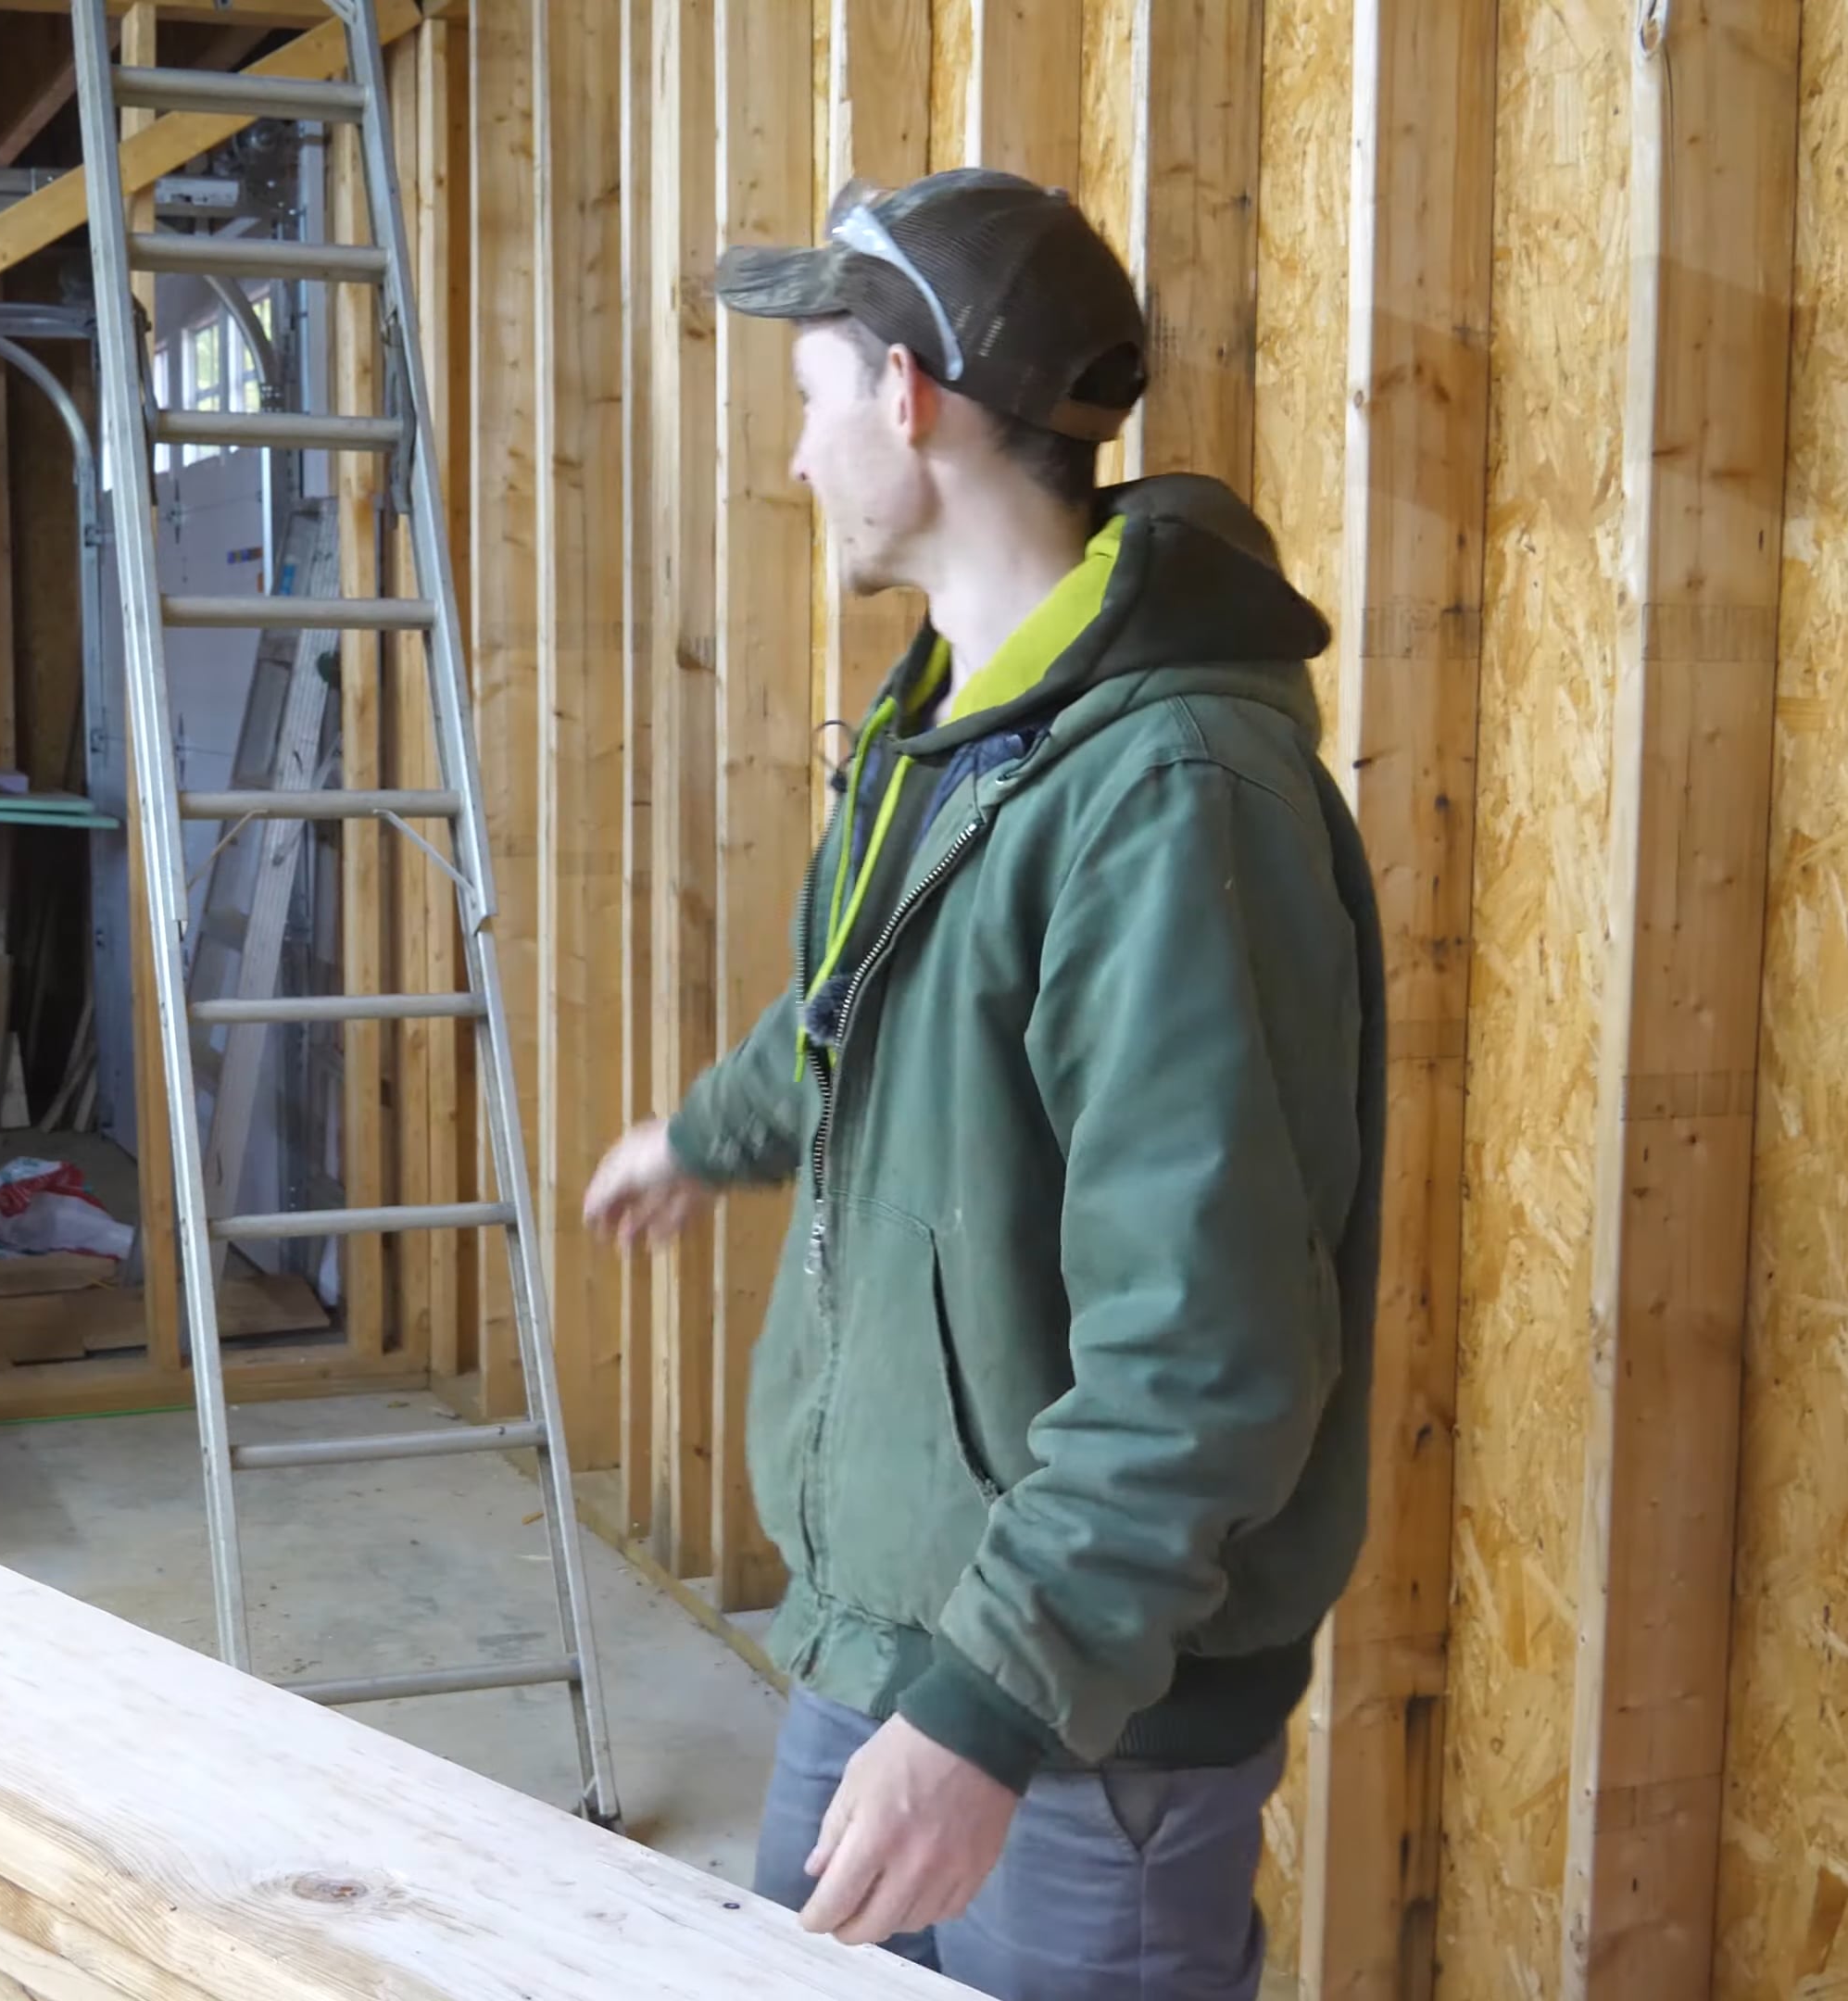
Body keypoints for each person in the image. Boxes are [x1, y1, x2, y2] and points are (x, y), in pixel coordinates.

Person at [580, 168, 1388, 2000]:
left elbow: (1210, 1354)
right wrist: (706, 1137)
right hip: (892, 1620)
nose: (794, 463)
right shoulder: (958, 725)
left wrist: (993, 1710)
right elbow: (856, 1012)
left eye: (808, 404)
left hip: (1083, 1715)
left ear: (911, 399)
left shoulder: (1167, 795)